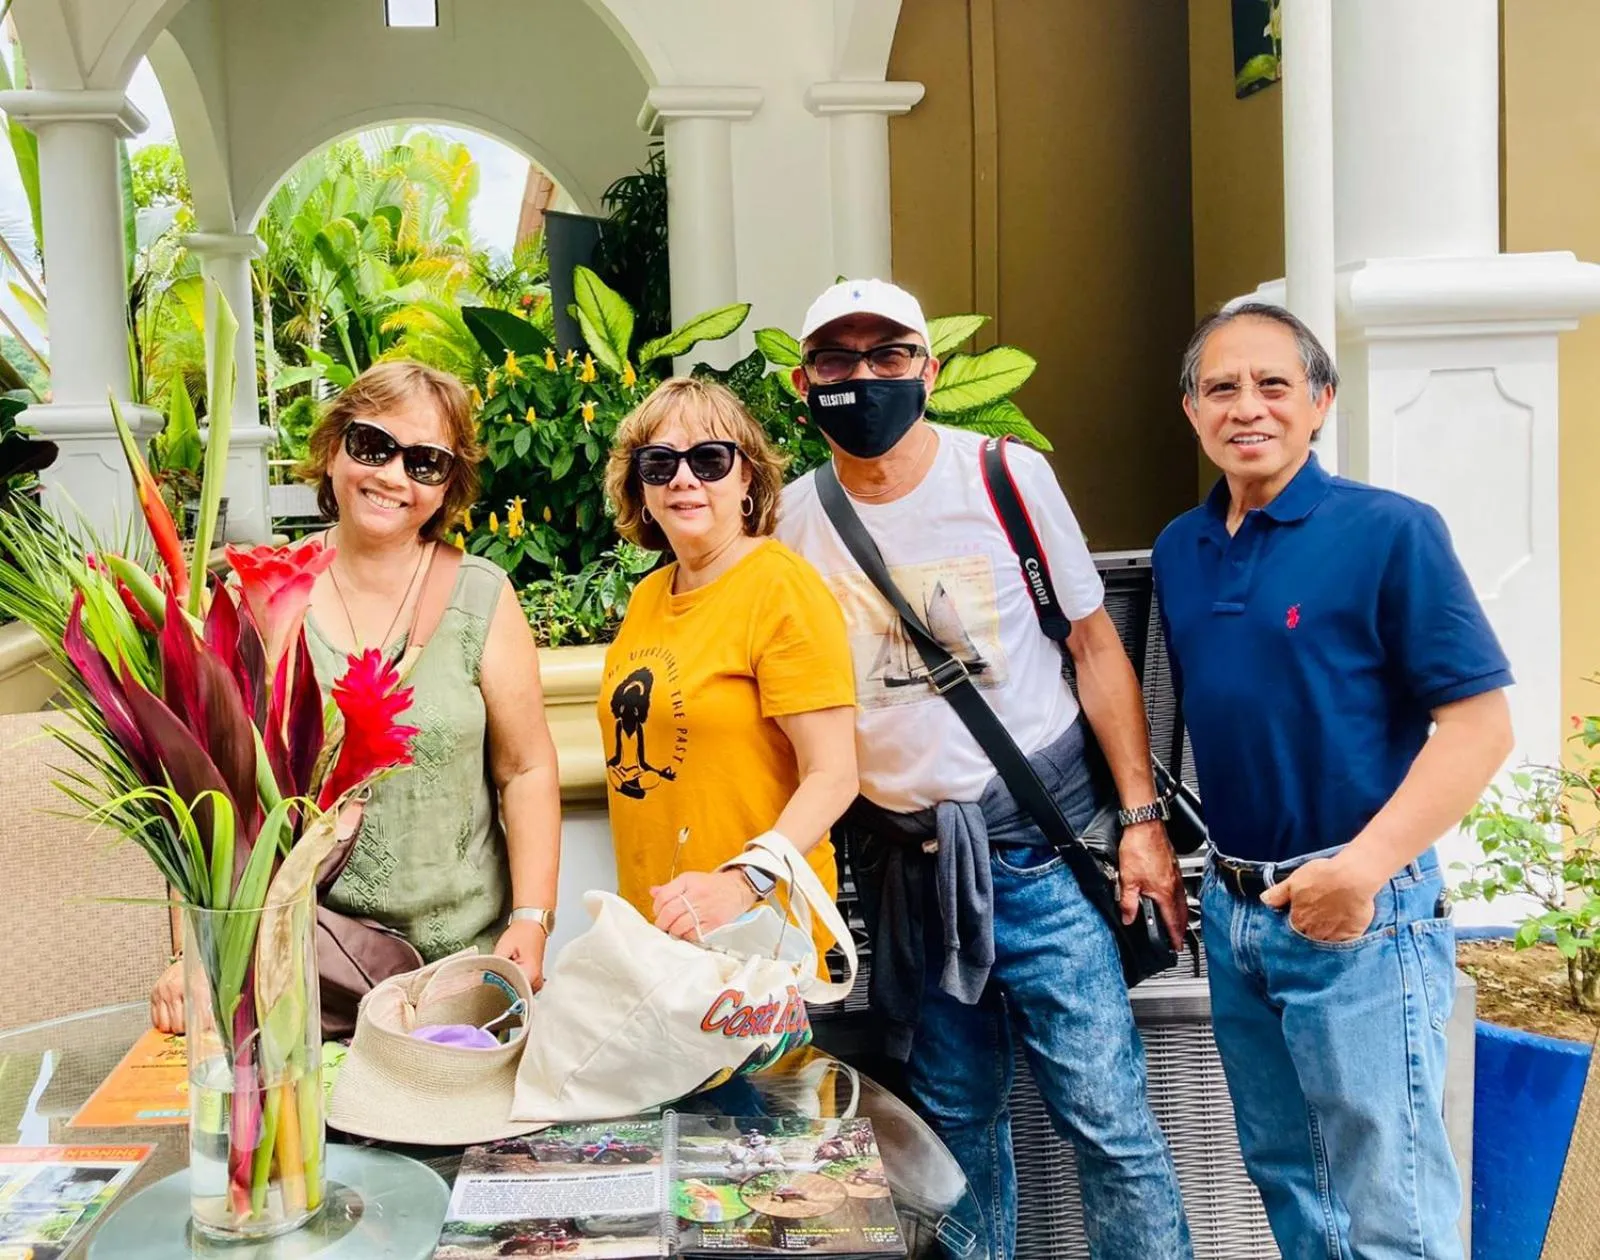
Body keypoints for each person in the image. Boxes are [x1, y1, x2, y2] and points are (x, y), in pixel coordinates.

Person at [776, 279, 1192, 1260]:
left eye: (888, 355)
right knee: (954, 1124)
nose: (864, 376)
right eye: (839, 360)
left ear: (929, 368)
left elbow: (1094, 648)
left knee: (1108, 1121)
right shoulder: (793, 520)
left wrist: (1141, 820)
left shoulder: (1002, 477)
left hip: (1039, 856)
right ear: (804, 383)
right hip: (911, 866)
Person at [1153, 303, 1514, 1259]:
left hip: (1362, 910)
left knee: (1387, 1196)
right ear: (1190, 410)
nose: (1249, 408)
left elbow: (1479, 729)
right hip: (1237, 910)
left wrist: (1359, 871)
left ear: (1321, 401)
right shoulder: (1181, 550)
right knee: (1289, 1180)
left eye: (1274, 385)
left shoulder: (1391, 532)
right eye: (1222, 388)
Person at [150, 361, 562, 1032]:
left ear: (448, 484)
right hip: (302, 973)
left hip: (465, 977)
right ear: (334, 449)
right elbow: (207, 790)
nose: (393, 476)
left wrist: (533, 920)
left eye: (425, 462)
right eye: (373, 445)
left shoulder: (482, 596)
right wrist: (193, 952)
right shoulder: (266, 591)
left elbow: (527, 769)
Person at [599, 376, 858, 949]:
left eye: (709, 460)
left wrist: (743, 883)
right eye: (659, 463)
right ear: (639, 487)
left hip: (756, 934)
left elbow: (834, 774)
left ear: (747, 478)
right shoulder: (647, 597)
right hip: (662, 934)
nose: (684, 478)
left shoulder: (780, 588)